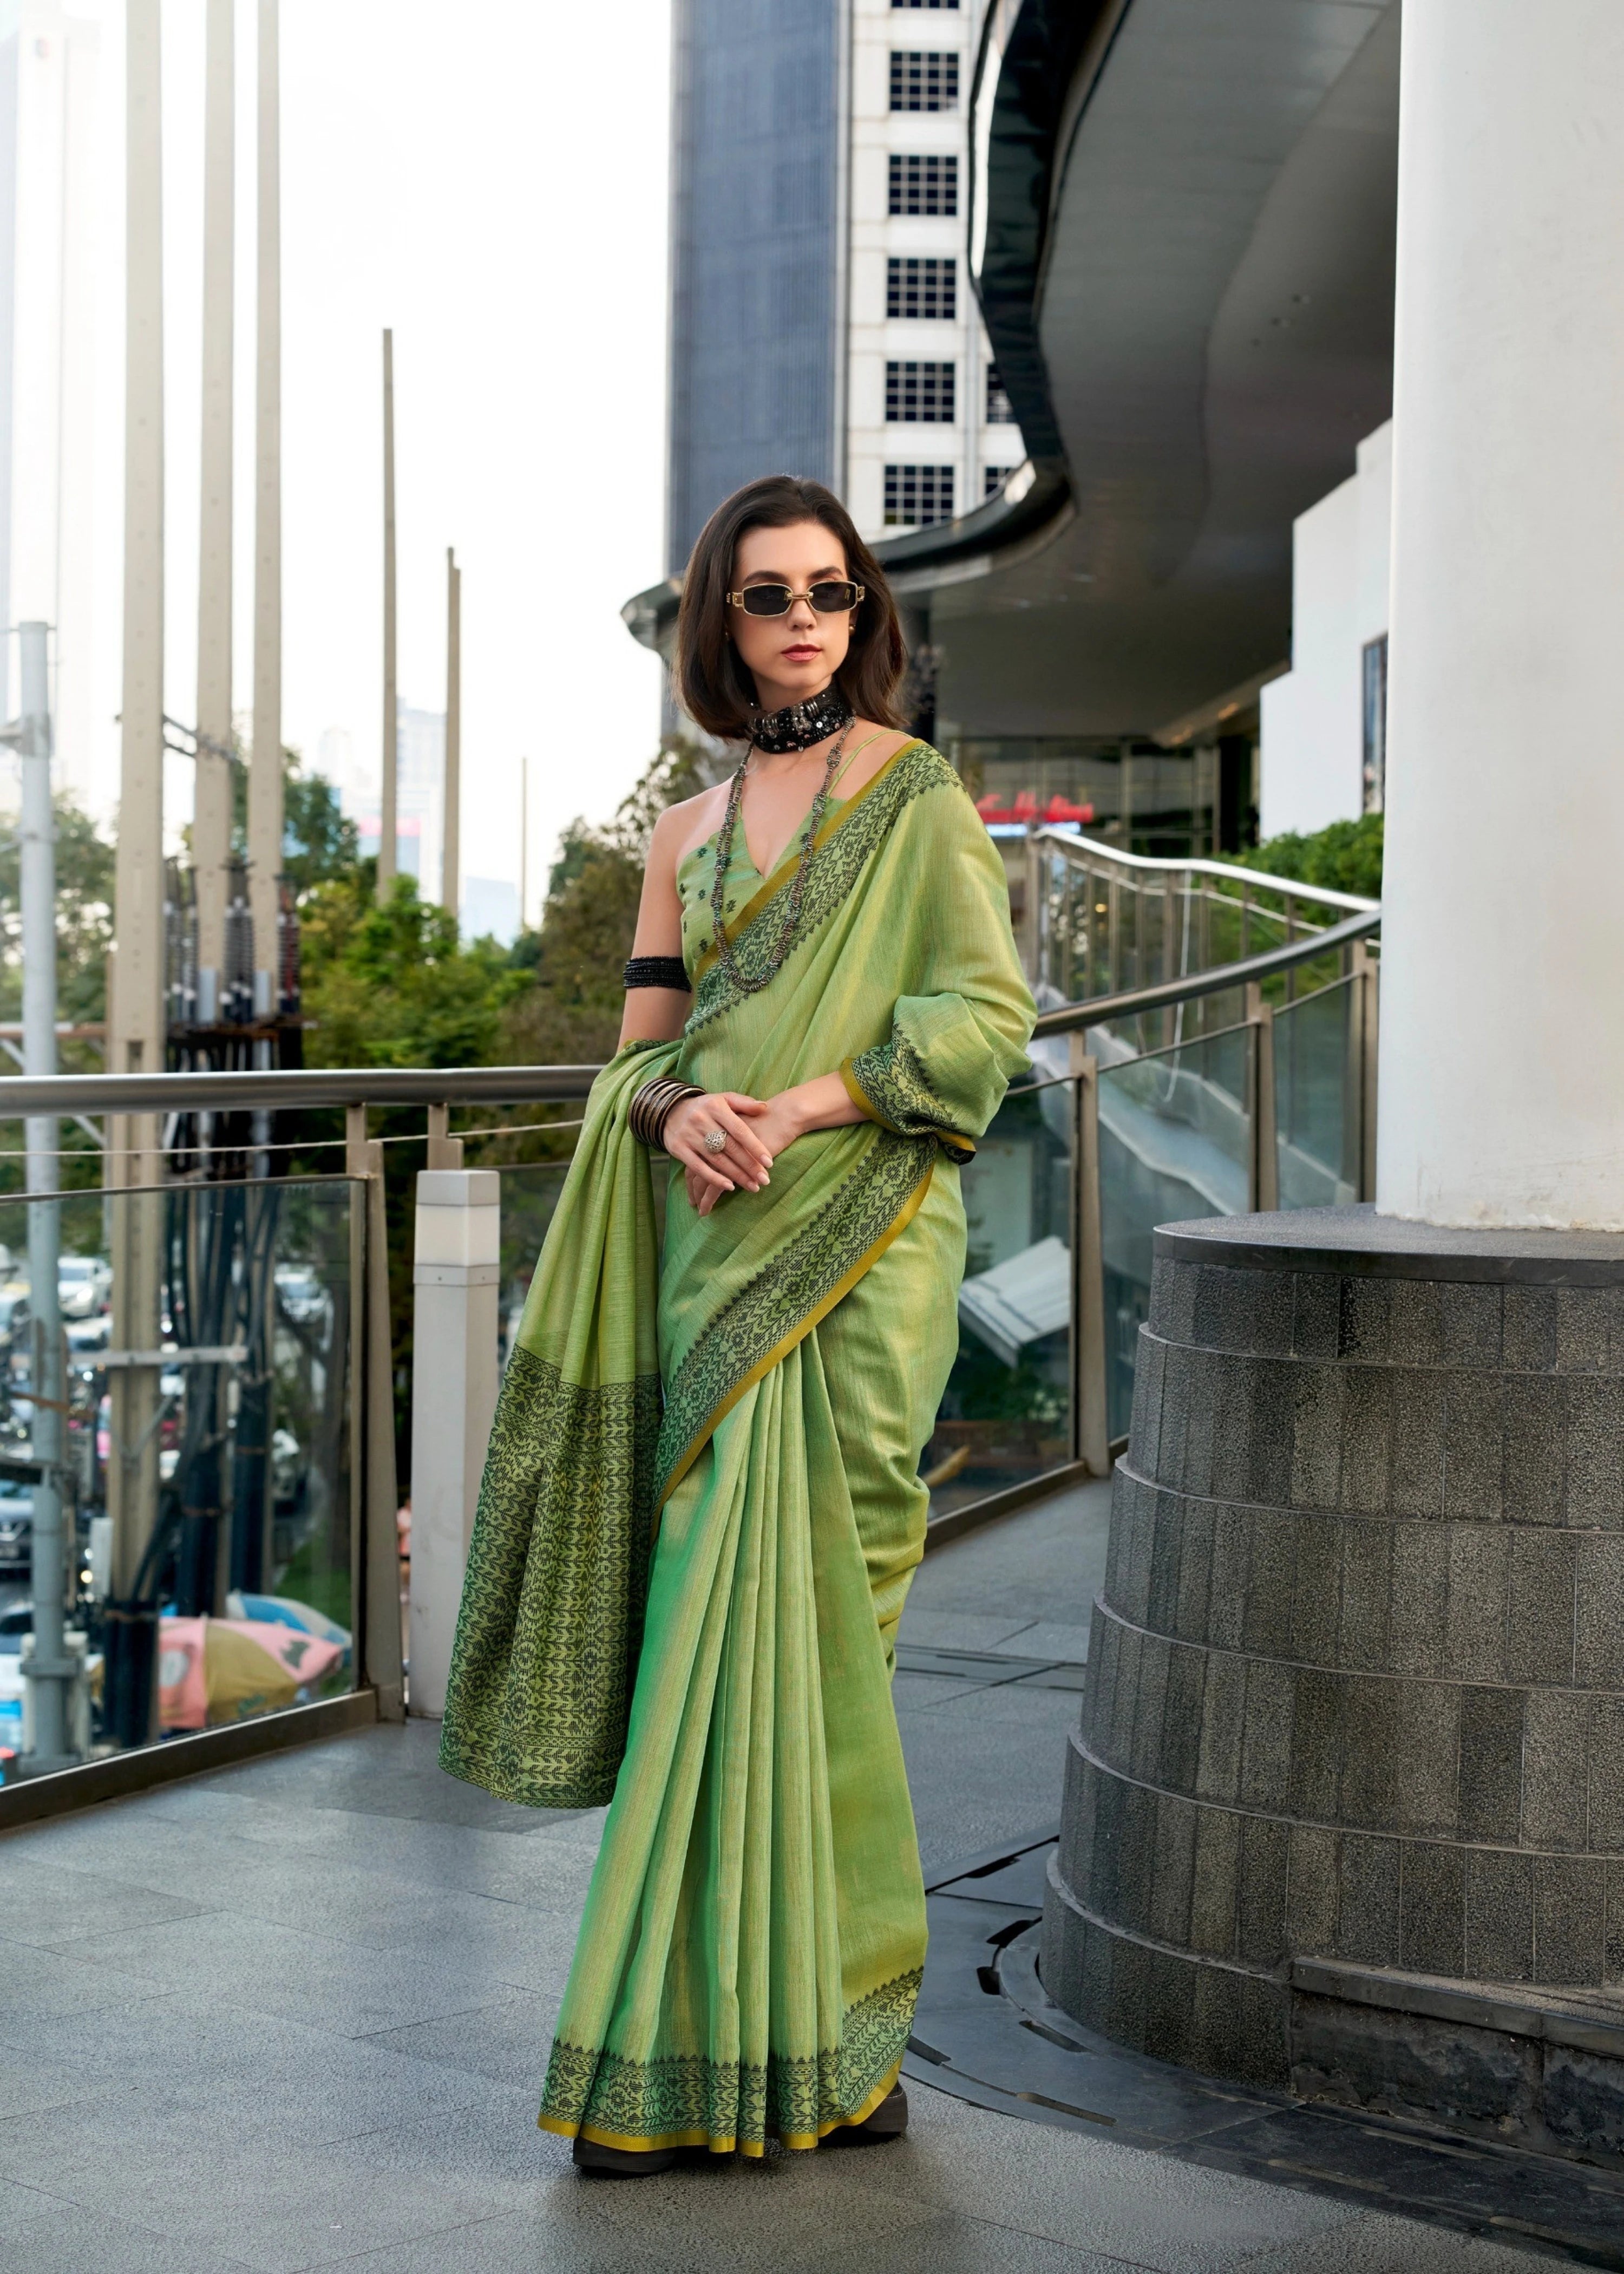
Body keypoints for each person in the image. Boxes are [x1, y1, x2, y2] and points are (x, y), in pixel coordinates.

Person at [440, 474, 1035, 2173]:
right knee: (705, 1635)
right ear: (720, 621)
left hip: (863, 1254)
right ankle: (668, 2046)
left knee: (829, 1645)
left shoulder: (916, 800)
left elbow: (984, 1018)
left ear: (864, 614)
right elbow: (639, 1056)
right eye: (768, 594)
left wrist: (808, 1105)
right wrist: (676, 1109)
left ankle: (836, 2045)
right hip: (714, 1251)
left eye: (830, 592)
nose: (802, 621)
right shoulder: (684, 839)